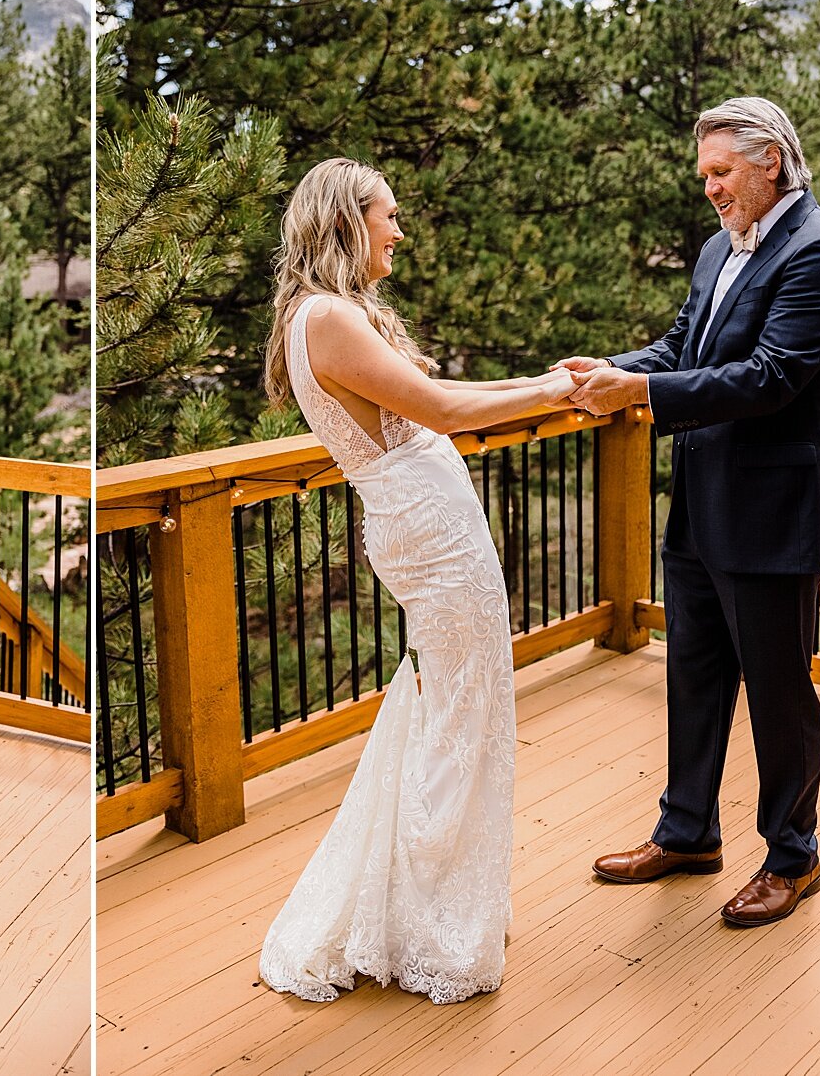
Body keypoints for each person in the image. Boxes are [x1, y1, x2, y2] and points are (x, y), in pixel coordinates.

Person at [256, 158, 579, 1006]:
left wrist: (548, 384)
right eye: (387, 216)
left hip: (423, 522)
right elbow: (444, 414)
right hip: (427, 534)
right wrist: (553, 391)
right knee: (462, 709)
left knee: (450, 700)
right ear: (345, 222)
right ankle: (428, 916)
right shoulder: (327, 317)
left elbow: (437, 393)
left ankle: (434, 894)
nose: (399, 231)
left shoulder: (324, 314)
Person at [562, 97, 820, 927]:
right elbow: (682, 346)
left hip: (770, 514)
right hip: (699, 507)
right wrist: (609, 370)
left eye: (721, 173)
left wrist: (645, 394)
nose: (710, 190)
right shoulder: (716, 249)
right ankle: (688, 831)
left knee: (777, 692)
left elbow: (770, 378)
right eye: (704, 175)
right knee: (693, 678)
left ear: (772, 162)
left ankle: (793, 857)